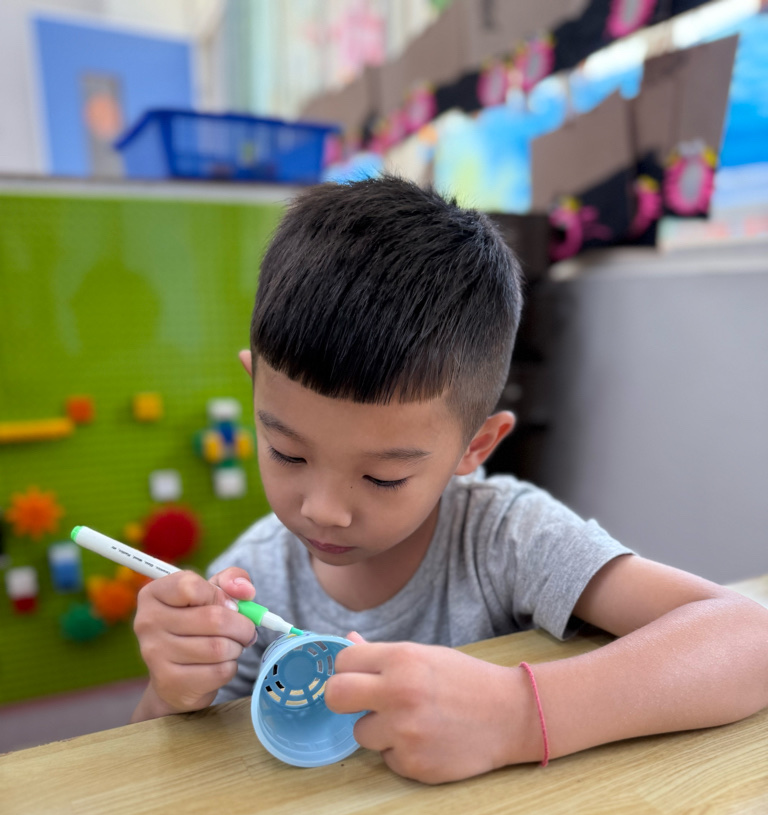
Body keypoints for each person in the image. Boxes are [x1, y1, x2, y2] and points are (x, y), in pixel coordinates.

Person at [132, 175, 768, 783]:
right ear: (255, 390)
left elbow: (749, 636)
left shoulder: (504, 538)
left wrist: (516, 715)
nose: (324, 509)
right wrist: (171, 693)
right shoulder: (251, 579)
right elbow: (150, 780)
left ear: (476, 446)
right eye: (287, 453)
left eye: (383, 477)